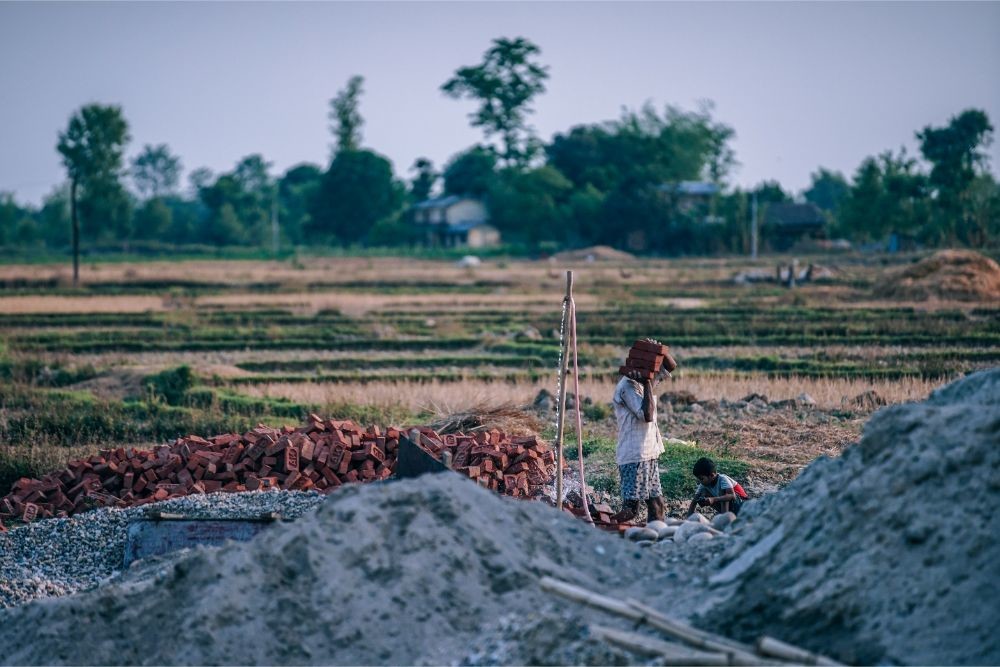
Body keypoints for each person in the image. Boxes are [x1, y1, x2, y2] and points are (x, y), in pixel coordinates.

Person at [611, 341, 676, 524]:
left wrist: (660, 349)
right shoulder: (628, 386)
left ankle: (656, 537)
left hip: (649, 453)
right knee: (631, 510)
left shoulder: (640, 382)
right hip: (634, 456)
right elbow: (647, 415)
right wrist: (647, 381)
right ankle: (607, 530)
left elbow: (671, 366)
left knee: (657, 504)